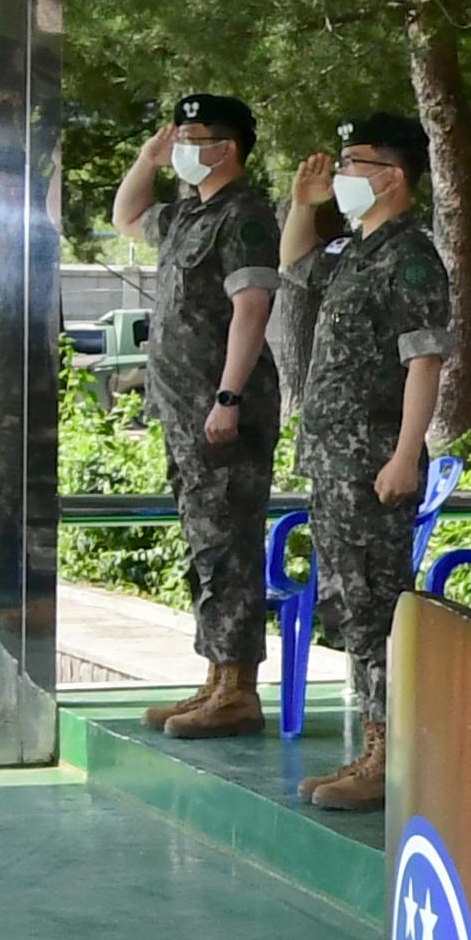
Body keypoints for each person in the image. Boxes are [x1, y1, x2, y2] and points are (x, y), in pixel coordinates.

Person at [276, 116, 453, 813]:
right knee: (353, 608)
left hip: (374, 465)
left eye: (356, 162)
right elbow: (295, 266)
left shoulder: (409, 256)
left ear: (394, 176)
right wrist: (303, 203)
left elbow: (425, 362)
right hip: (336, 465)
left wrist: (406, 455)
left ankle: (392, 754)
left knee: (378, 610)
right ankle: (376, 743)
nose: (343, 171)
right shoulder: (356, 251)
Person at [109, 94, 284, 741]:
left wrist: (228, 397)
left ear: (227, 147)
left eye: (193, 137)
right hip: (185, 414)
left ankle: (238, 689)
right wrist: (150, 157)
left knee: (229, 546)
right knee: (207, 547)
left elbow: (252, 307)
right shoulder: (189, 213)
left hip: (222, 413)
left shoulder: (243, 214)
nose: (181, 146)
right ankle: (216, 676)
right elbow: (126, 214)